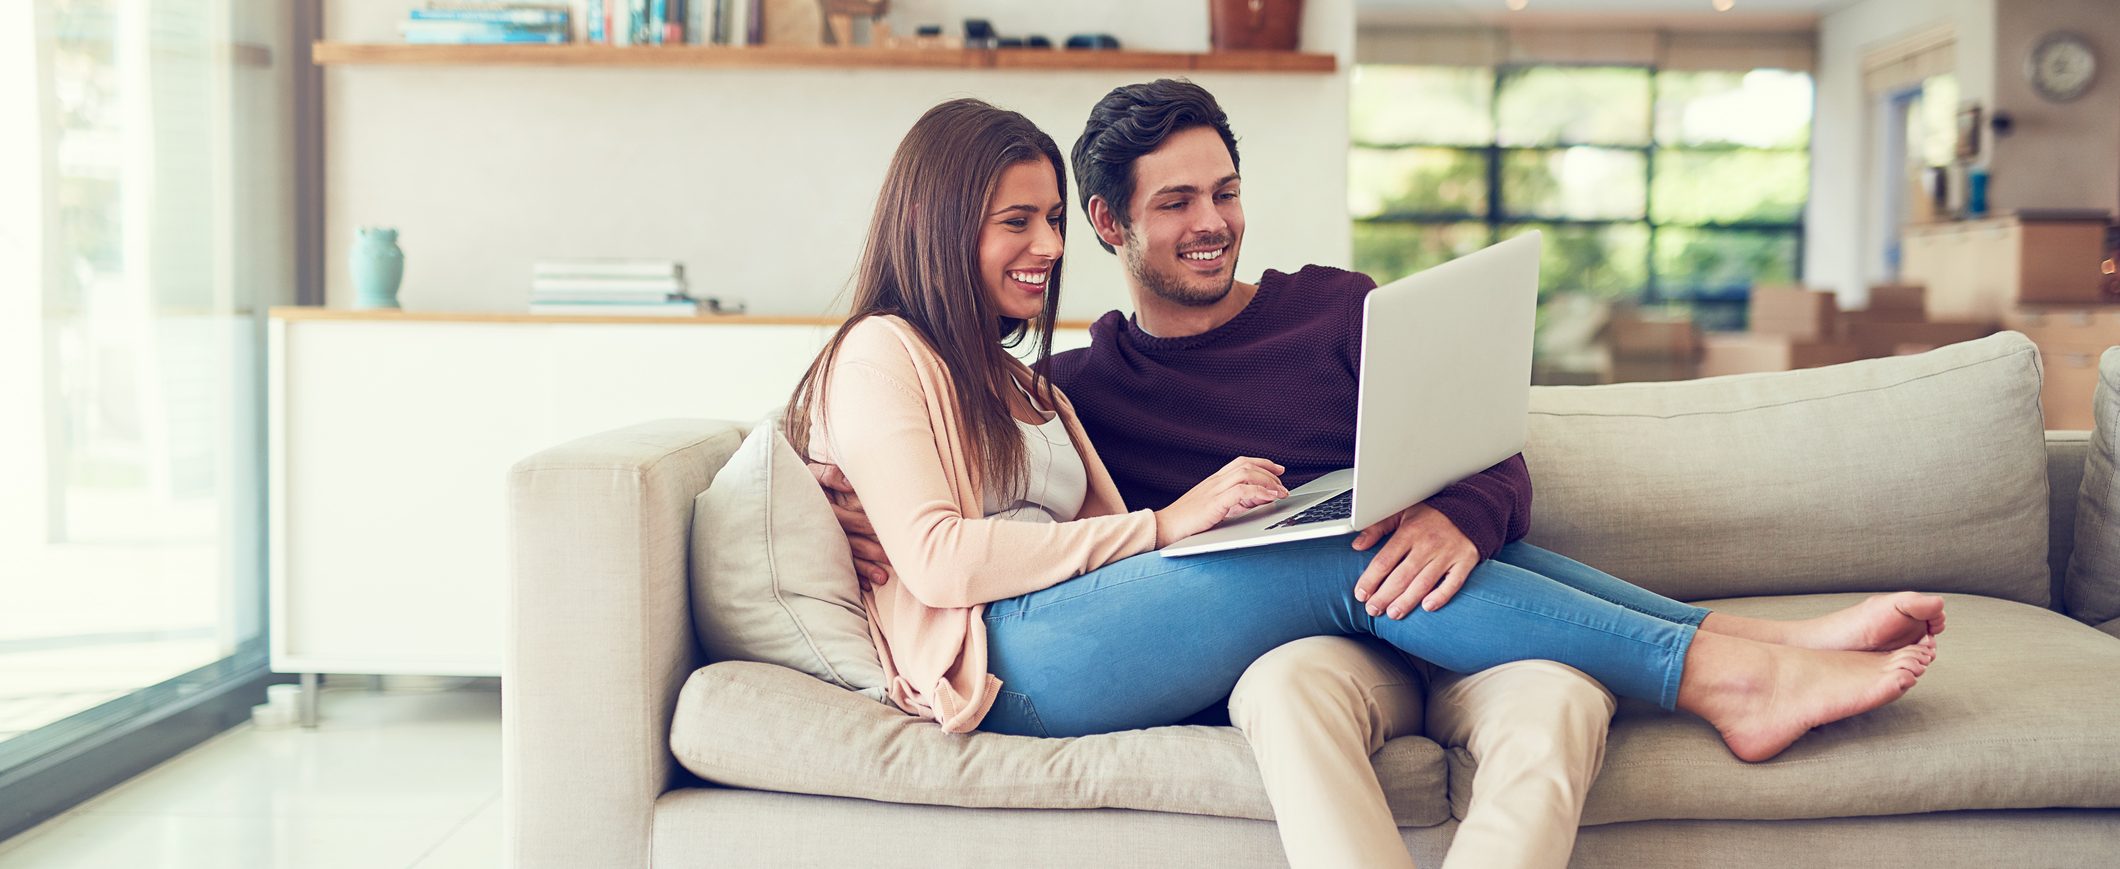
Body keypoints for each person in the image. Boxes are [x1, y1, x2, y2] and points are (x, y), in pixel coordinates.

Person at [790, 94, 1943, 868]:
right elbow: (942, 554)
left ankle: (1733, 641)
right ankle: (1724, 674)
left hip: (1106, 622)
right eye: (1018, 223)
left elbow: (1480, 451)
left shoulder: (1031, 377)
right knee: (1323, 532)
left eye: (1223, 191)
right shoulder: (892, 350)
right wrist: (1164, 523)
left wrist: (1440, 510)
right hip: (1013, 658)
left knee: (1344, 518)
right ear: (1113, 225)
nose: (1038, 248)